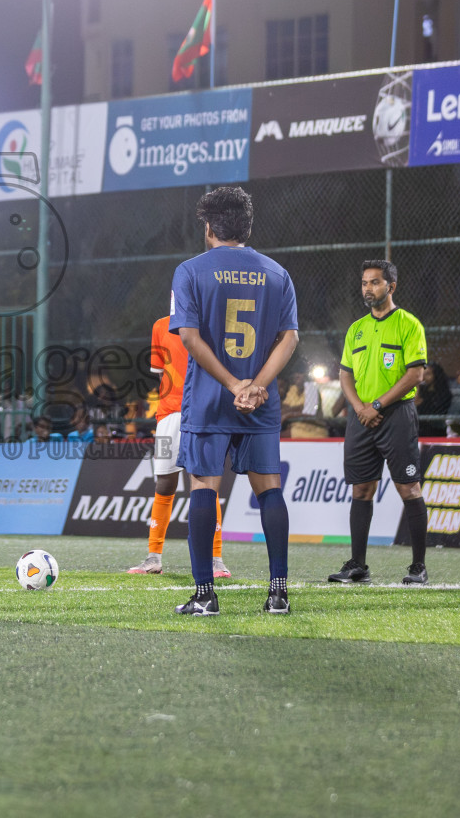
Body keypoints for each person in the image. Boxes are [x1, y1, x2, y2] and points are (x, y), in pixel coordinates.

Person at [170, 186, 300, 617]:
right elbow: (290, 339)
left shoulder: (189, 271)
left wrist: (231, 385)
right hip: (259, 403)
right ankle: (278, 593)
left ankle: (205, 595)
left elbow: (189, 337)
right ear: (247, 227)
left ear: (209, 228)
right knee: (269, 489)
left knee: (204, 487)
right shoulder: (276, 273)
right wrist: (257, 385)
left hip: (210, 399)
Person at [330, 260, 430, 586]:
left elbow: (415, 374)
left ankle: (418, 567)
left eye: (375, 282)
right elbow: (345, 374)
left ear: (391, 286)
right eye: (364, 283)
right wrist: (359, 406)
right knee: (361, 489)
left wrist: (376, 405)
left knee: (408, 488)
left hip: (396, 416)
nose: (368, 289)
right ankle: (358, 564)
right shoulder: (355, 329)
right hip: (361, 418)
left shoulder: (409, 324)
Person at [126, 315, 228, 579]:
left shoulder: (211, 322)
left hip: (203, 413)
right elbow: (161, 374)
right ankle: (154, 557)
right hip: (168, 416)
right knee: (164, 484)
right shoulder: (160, 325)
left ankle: (216, 558)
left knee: (206, 484)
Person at [414, 363, 453, 438]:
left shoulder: (444, 393)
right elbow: (415, 401)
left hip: (436, 431)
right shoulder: (423, 390)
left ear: (436, 375)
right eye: (423, 374)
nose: (424, 377)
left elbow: (437, 409)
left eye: (428, 374)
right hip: (420, 430)